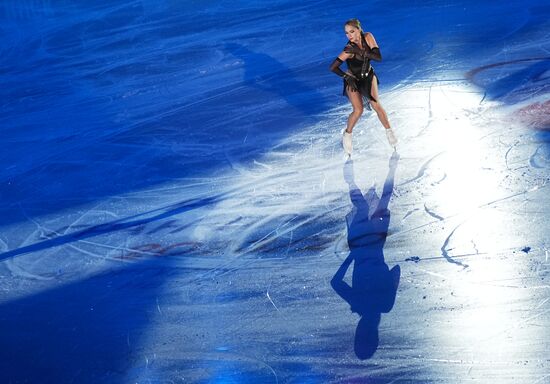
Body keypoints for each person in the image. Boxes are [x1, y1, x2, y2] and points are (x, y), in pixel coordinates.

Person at [329, 19, 397, 155]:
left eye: (352, 31)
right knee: (358, 110)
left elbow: (378, 57)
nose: (349, 36)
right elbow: (333, 67)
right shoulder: (348, 49)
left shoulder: (368, 37)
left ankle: (389, 132)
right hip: (353, 79)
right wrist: (346, 77)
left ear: (359, 30)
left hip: (368, 76)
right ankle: (347, 134)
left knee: (376, 104)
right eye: (347, 33)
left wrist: (360, 52)